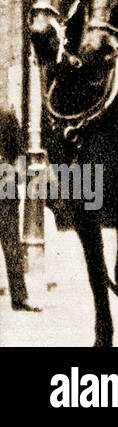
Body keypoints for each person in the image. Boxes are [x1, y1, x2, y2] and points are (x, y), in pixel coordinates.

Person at [0, 103, 38, 312]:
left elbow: (19, 155)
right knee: (12, 244)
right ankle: (19, 298)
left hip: (4, 188)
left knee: (12, 245)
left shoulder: (7, 117)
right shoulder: (7, 115)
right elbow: (20, 155)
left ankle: (19, 297)